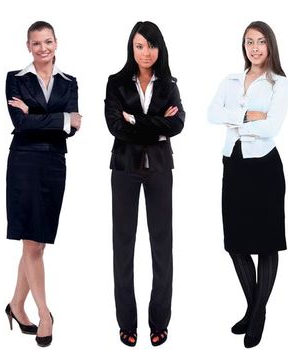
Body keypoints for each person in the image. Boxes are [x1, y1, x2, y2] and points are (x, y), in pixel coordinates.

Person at [206, 21, 288, 349]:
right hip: (234, 164)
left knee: (267, 243)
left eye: (261, 42)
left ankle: (257, 316)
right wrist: (248, 115)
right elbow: (211, 113)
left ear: (271, 46)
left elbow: (272, 127)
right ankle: (256, 309)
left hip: (265, 168)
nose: (254, 48)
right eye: (249, 42)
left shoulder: (280, 84)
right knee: (236, 243)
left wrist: (239, 117)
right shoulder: (231, 80)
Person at [104, 21, 184, 348]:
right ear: (131, 48)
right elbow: (114, 126)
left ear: (159, 48)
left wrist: (135, 120)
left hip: (160, 169)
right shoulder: (116, 83)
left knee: (161, 246)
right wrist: (156, 125)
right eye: (140, 46)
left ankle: (159, 321)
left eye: (151, 46)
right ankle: (127, 322)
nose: (146, 52)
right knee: (123, 246)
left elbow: (177, 123)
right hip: (124, 168)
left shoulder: (169, 84)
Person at [3, 20, 81, 348]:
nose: (43, 48)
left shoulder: (69, 82)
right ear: (28, 46)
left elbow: (75, 127)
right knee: (32, 243)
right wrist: (60, 119)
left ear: (56, 42)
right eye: (36, 44)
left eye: (48, 42)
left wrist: (39, 117)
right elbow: (20, 124)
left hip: (54, 164)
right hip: (23, 162)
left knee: (39, 242)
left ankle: (15, 305)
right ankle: (44, 313)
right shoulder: (15, 79)